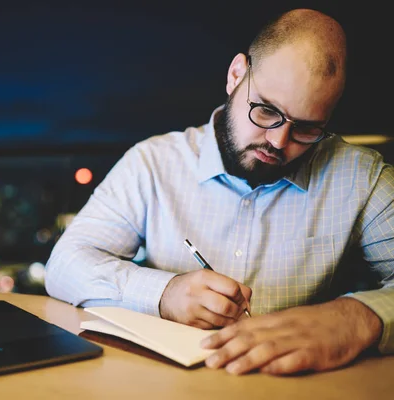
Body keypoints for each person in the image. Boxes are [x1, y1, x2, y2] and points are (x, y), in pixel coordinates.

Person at [45, 8, 393, 375]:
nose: (278, 141)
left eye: (306, 129)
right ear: (236, 75)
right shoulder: (153, 163)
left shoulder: (361, 178)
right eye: (265, 110)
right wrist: (165, 294)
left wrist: (355, 319)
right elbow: (65, 264)